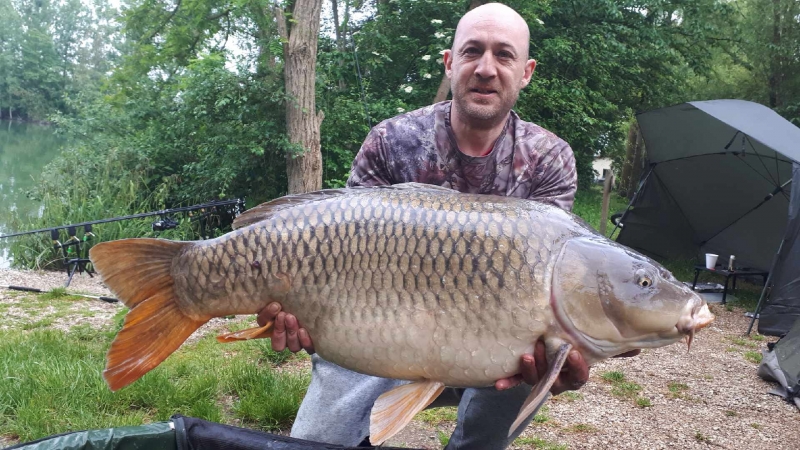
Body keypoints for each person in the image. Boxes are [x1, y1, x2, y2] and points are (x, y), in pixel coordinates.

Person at [256, 3, 637, 448]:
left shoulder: (548, 158)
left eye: (505, 55)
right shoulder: (391, 140)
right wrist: (297, 307)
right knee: (317, 442)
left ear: (527, 71)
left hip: (494, 340)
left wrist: (561, 357)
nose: (487, 69)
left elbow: (557, 284)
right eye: (473, 51)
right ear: (450, 62)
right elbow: (337, 252)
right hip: (379, 331)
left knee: (522, 371)